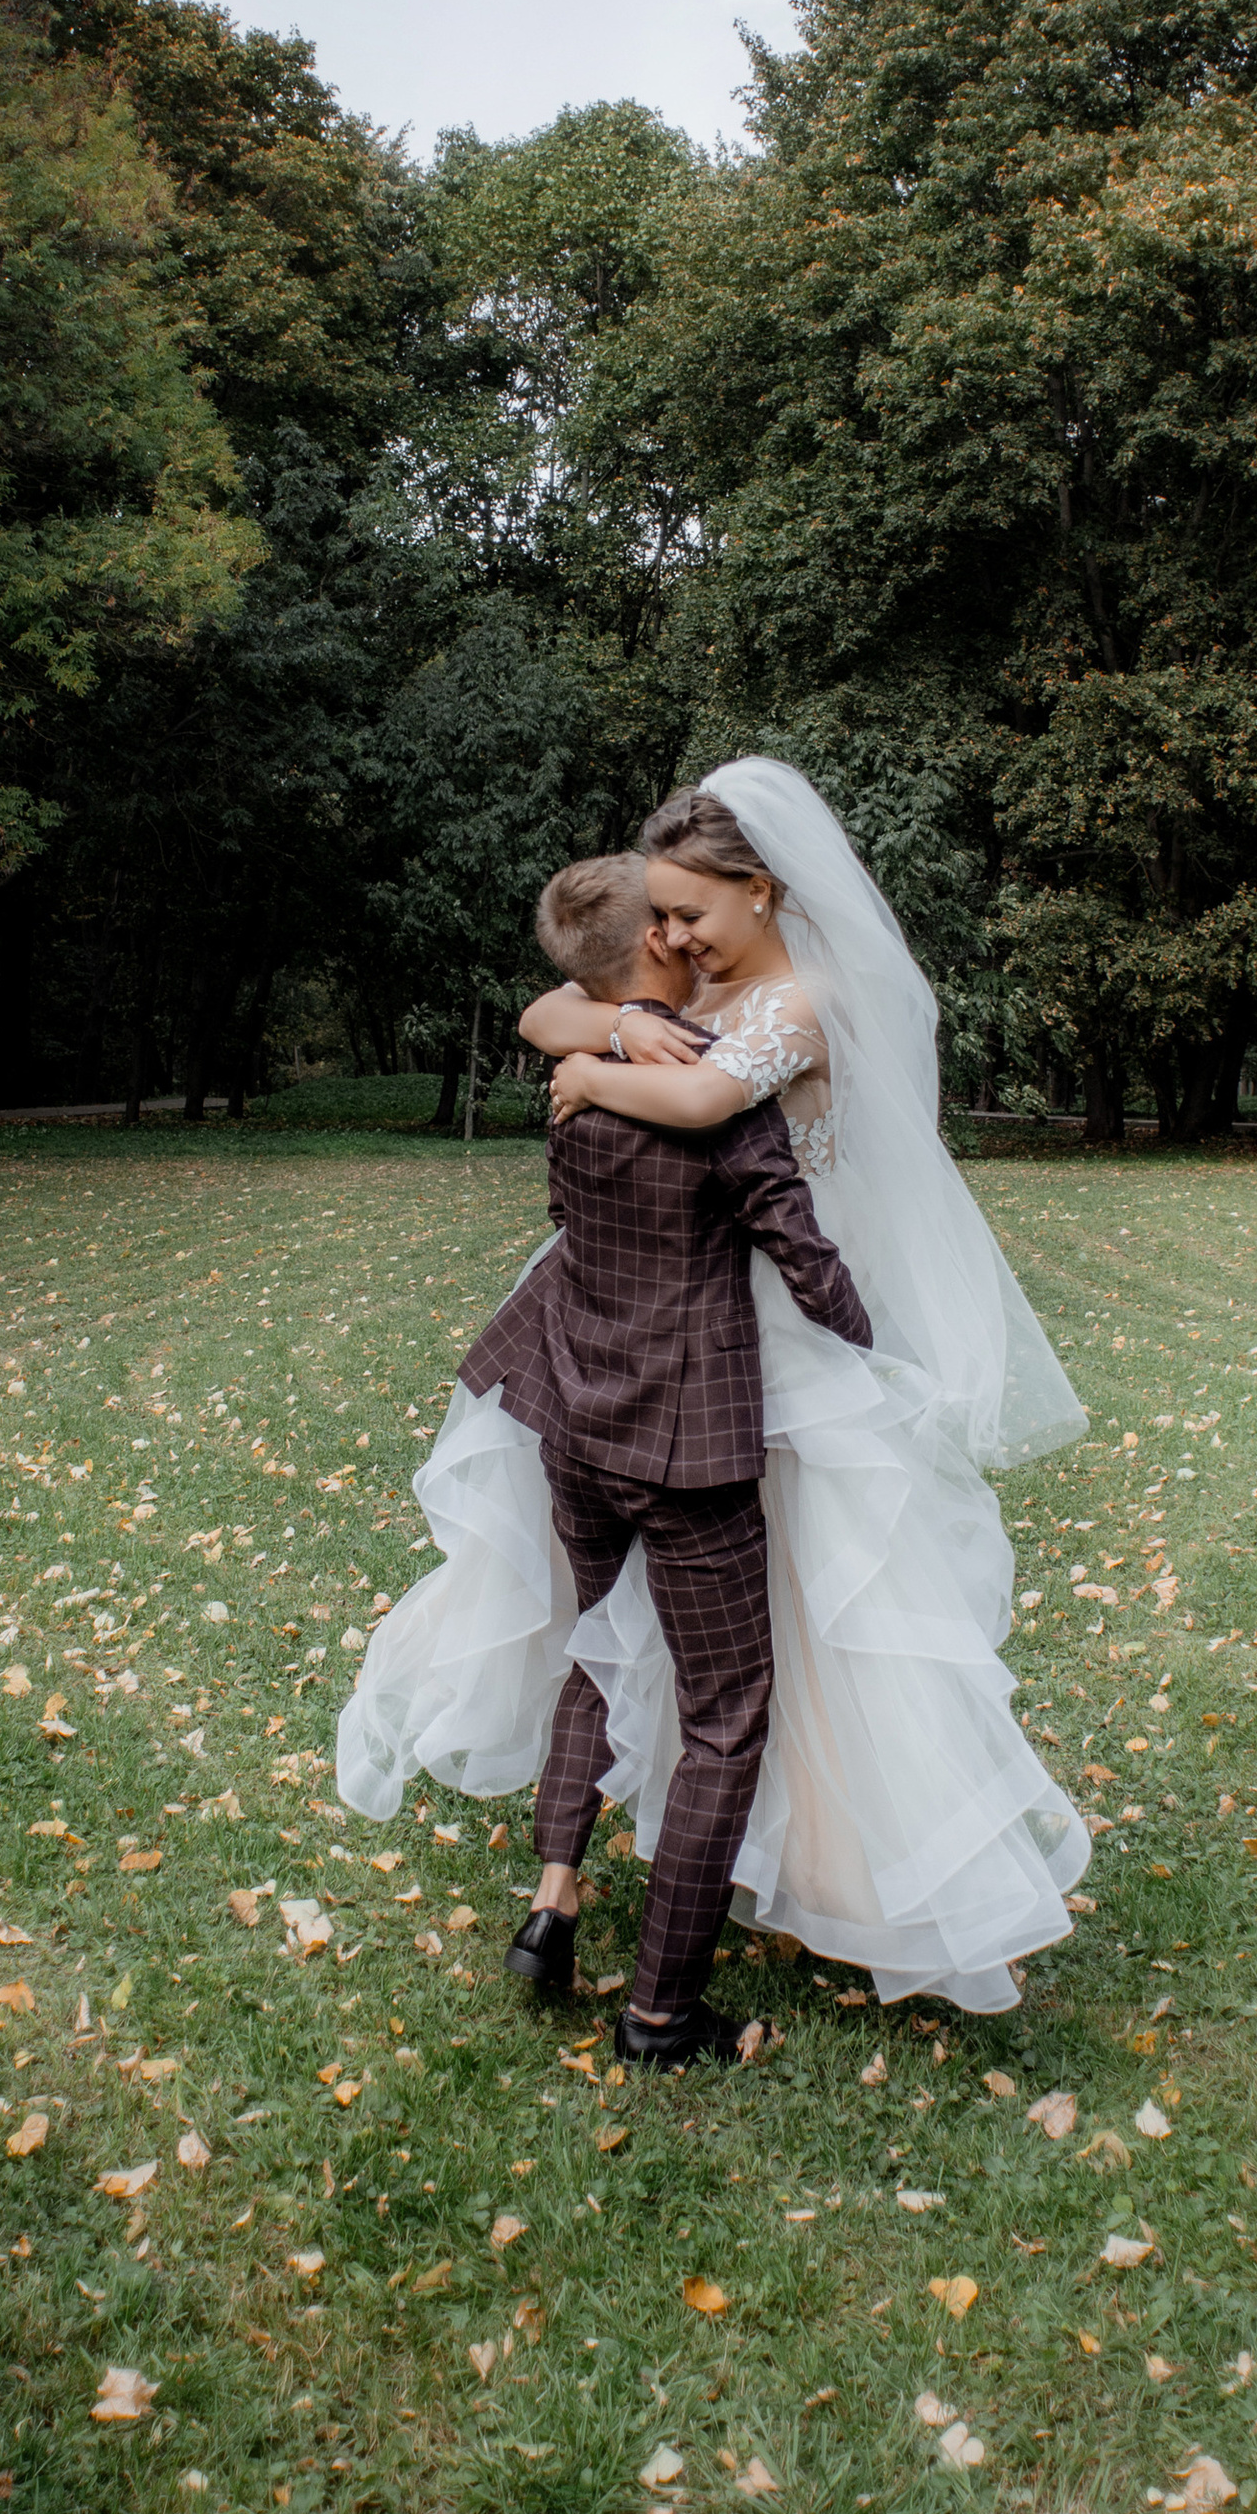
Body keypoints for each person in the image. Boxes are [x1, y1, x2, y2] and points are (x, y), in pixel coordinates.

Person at [338, 758, 1092, 2020]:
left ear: (764, 889)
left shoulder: (805, 999)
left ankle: (828, 1864)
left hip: (766, 1349)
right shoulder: (687, 986)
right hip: (664, 1342)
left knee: (819, 1613)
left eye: (690, 912)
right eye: (661, 917)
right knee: (673, 1626)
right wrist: (611, 1020)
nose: (670, 935)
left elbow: (699, 1095)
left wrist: (596, 1069)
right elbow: (547, 1006)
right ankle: (660, 1918)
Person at [437, 853, 870, 2068]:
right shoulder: (723, 1102)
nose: (691, 931)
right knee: (725, 1711)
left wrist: (600, 1036)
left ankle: (554, 1899)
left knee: (594, 1645)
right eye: (673, 920)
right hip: (689, 1439)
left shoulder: (575, 1087)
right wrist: (885, 1352)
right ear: (665, 949)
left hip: (575, 1415)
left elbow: (555, 1030)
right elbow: (805, 1258)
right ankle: (664, 2009)